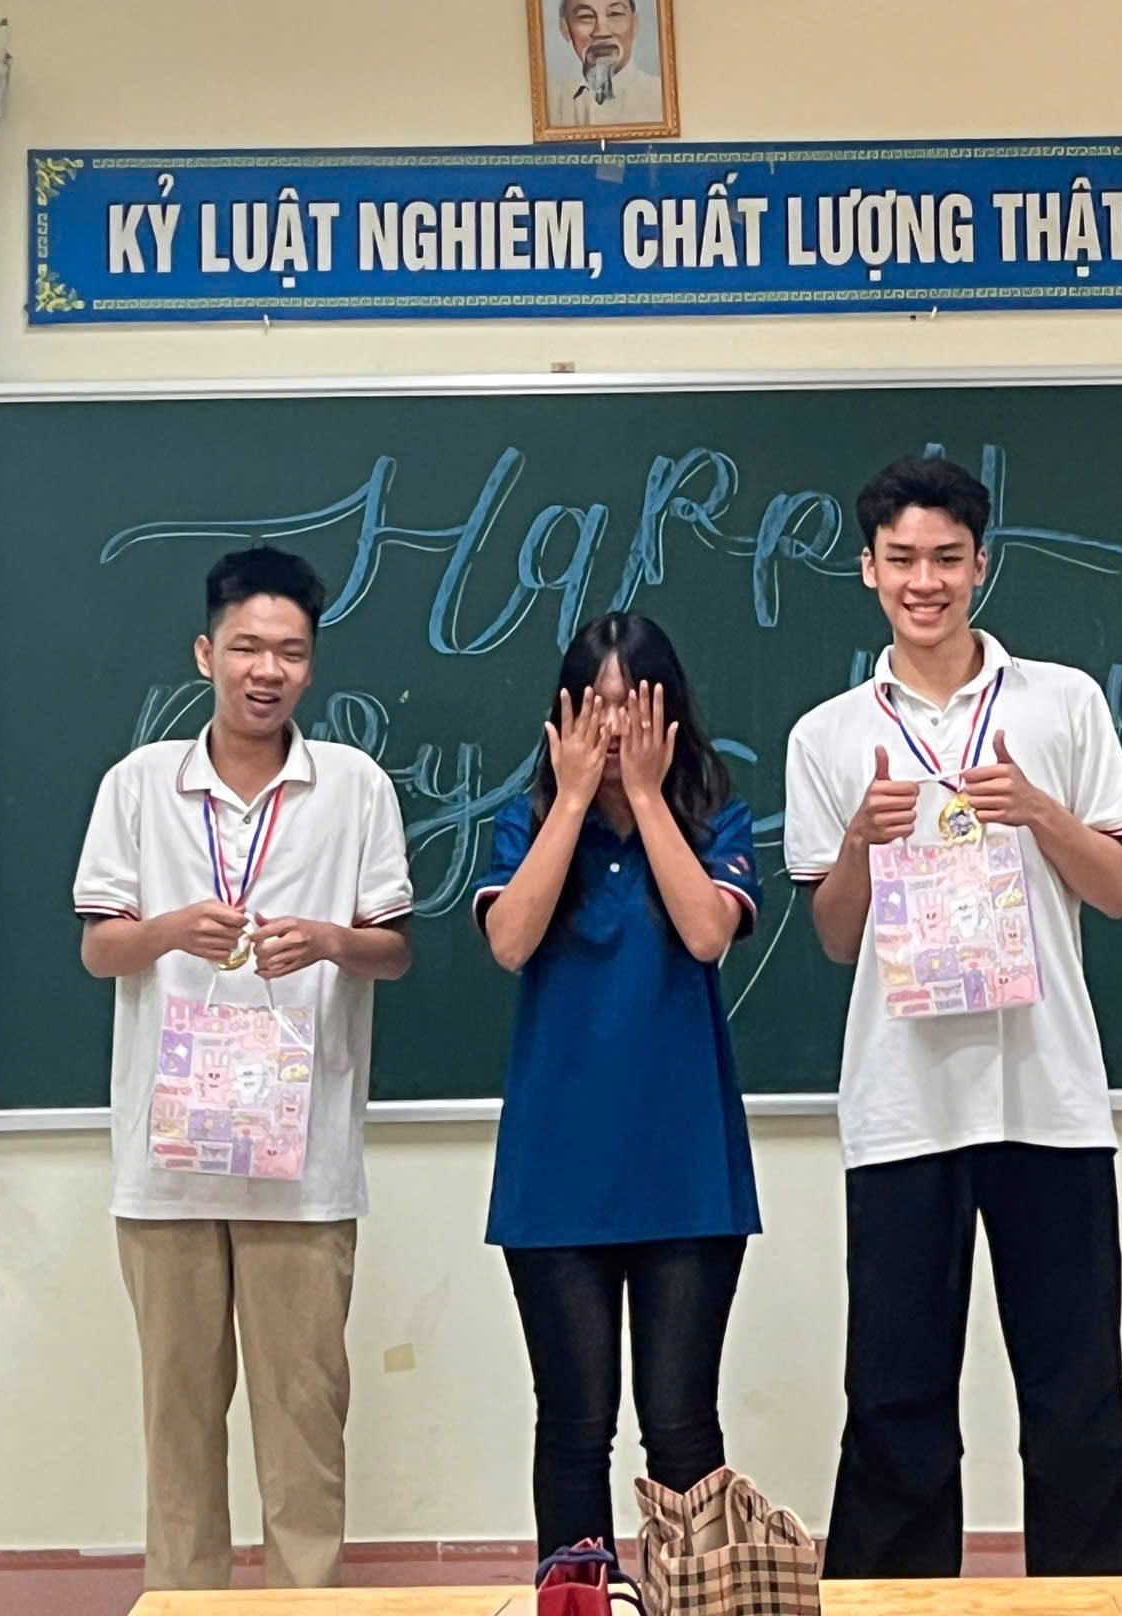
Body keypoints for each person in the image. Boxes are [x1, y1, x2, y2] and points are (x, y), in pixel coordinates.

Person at [783, 456, 1122, 1582]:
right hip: (904, 1106)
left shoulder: (1062, 702)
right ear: (867, 569)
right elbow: (834, 936)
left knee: (1077, 1395)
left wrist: (1037, 810)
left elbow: (1121, 890)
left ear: (980, 566)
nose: (925, 581)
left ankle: (1099, 1607)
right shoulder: (828, 735)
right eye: (902, 559)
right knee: (894, 1400)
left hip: (1050, 1098)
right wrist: (860, 842)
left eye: (947, 558)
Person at [72, 543, 413, 1593]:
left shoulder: (353, 787)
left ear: (312, 664)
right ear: (205, 652)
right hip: (166, 1167)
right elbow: (99, 949)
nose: (268, 670)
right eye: (248, 647)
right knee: (178, 1428)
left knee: (305, 1425)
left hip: (302, 1168)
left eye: (291, 652)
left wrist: (331, 941)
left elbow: (395, 950)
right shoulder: (139, 785)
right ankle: (185, 1604)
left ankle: (305, 1606)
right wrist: (170, 928)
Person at [474, 612, 761, 1554]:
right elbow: (510, 942)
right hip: (557, 1174)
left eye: (631, 704)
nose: (612, 727)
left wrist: (644, 796)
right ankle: (581, 1604)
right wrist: (570, 803)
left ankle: (693, 1600)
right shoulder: (526, 821)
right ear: (561, 715)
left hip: (687, 1172)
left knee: (682, 1426)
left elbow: (707, 934)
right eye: (593, 707)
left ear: (667, 712)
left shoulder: (715, 817)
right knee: (573, 1426)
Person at [547, 0, 665, 129]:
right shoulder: (550, 104)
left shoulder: (662, 96)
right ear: (565, 28)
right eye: (586, 16)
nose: (601, 32)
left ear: (635, 23)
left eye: (615, 13)